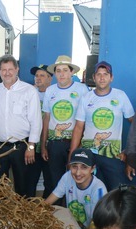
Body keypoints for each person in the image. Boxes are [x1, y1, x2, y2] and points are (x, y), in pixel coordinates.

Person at [71, 61, 135, 191]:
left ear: (111, 78)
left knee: (115, 192)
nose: (102, 77)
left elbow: (134, 124)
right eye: (98, 74)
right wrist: (72, 155)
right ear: (94, 78)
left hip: (113, 157)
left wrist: (128, 150)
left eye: (105, 74)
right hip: (90, 156)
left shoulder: (120, 96)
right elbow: (78, 128)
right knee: (91, 191)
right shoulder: (86, 98)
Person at [0, 54, 42, 197]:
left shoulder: (29, 91)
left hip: (22, 147)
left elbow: (36, 121)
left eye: (10, 69)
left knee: (23, 186)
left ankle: (23, 217)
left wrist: (31, 147)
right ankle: (0, 217)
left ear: (17, 69)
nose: (7, 73)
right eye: (4, 70)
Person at [41, 55, 89, 197]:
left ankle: (72, 212)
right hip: (55, 145)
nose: (62, 74)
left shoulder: (82, 90)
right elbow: (46, 119)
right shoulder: (50, 91)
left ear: (71, 72)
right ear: (55, 73)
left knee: (76, 179)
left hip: (76, 144)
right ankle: (57, 213)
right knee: (55, 181)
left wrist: (79, 144)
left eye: (65, 70)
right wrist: (43, 145)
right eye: (58, 71)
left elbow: (85, 120)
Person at [44, 148, 107, 229]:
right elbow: (50, 200)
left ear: (92, 169)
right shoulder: (67, 177)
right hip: (72, 226)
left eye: (84, 167)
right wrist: (36, 211)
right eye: (74, 167)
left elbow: (96, 225)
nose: (78, 173)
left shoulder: (99, 190)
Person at [27, 64, 52, 196]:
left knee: (50, 179)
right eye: (36, 75)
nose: (38, 78)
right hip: (32, 145)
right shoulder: (30, 93)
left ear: (50, 78)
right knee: (30, 179)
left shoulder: (55, 94)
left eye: (42, 75)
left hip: (48, 145)